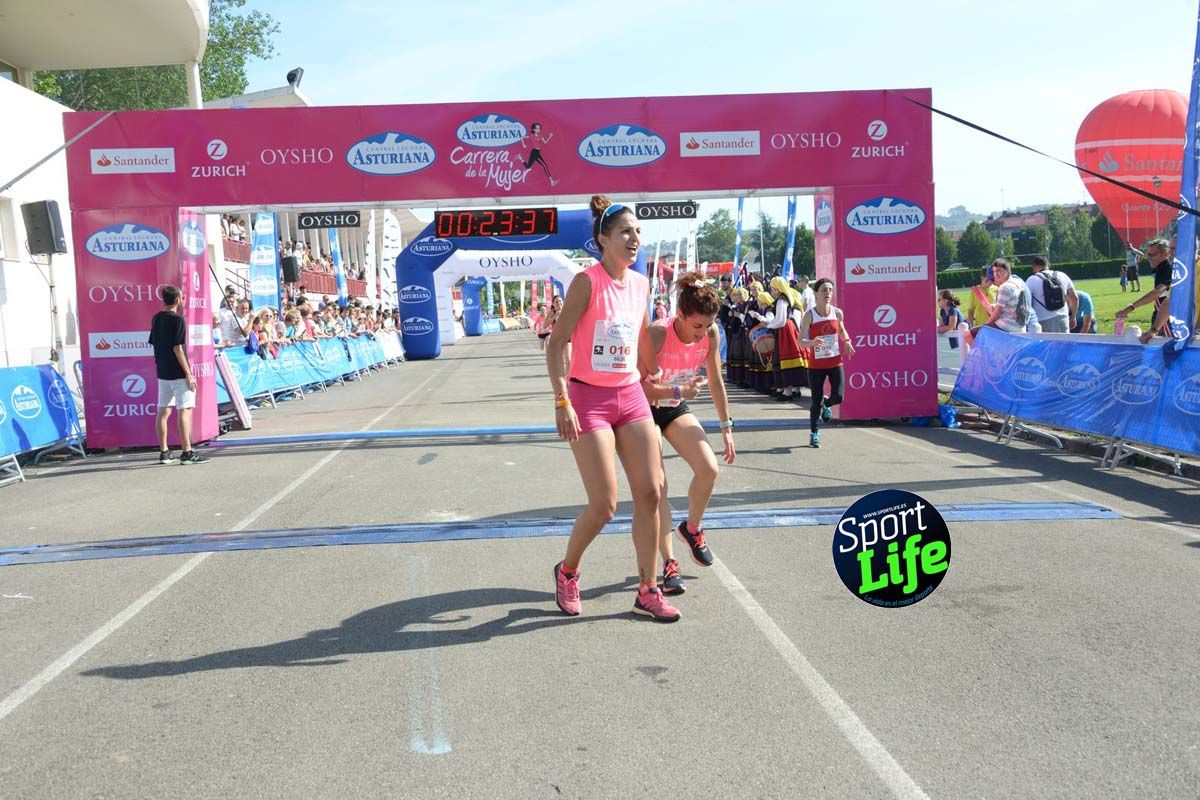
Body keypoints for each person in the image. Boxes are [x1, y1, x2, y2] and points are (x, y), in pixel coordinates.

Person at [546, 195, 675, 622]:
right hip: (588, 399)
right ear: (603, 239)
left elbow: (639, 344)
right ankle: (567, 571)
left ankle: (647, 589)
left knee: (652, 492)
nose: (635, 238)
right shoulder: (587, 282)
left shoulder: (640, 284)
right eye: (625, 232)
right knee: (604, 505)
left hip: (631, 395)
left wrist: (661, 377)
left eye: (638, 231)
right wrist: (562, 400)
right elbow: (556, 344)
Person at [640, 273, 736, 595]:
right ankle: (669, 563)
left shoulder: (710, 335)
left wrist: (726, 428)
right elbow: (637, 387)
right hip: (643, 410)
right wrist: (678, 388)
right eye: (696, 326)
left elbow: (715, 381)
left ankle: (692, 529)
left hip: (674, 407)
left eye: (708, 325)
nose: (701, 334)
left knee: (709, 469)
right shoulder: (656, 334)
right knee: (659, 487)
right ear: (679, 315)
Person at [148, 285, 207, 465]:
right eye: (181, 297)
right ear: (177, 300)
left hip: (162, 371)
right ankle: (187, 452)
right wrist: (188, 374)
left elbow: (154, 343)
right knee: (184, 410)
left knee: (163, 410)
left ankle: (164, 452)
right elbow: (177, 348)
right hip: (178, 372)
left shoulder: (156, 318)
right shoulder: (178, 319)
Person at [798, 278, 854, 448]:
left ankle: (827, 403)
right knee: (815, 403)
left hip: (835, 361)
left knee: (839, 396)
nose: (827, 293)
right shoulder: (809, 315)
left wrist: (848, 342)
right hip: (816, 366)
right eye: (823, 290)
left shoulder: (837, 313)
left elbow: (842, 330)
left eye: (830, 290)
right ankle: (814, 433)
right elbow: (800, 340)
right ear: (816, 293)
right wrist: (812, 343)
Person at [1116, 237, 1174, 344]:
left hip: (1167, 321)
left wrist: (1131, 307)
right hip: (1161, 319)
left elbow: (1157, 292)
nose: (1149, 258)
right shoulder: (1160, 268)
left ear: (1165, 253)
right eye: (1148, 254)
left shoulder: (1167, 269)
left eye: (1152, 255)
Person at [965, 259, 1029, 345]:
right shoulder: (1017, 282)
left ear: (1007, 270)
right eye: (994, 271)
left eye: (999, 270)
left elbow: (996, 315)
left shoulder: (1004, 287)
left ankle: (984, 358)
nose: (996, 274)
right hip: (1019, 325)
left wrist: (985, 325)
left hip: (1006, 326)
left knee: (968, 334)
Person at [763, 276, 807, 399]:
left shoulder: (782, 299)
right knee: (789, 358)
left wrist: (769, 325)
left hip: (785, 330)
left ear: (777, 288)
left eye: (772, 288)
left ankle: (787, 392)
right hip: (788, 329)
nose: (771, 290)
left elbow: (781, 320)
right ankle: (792, 389)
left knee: (784, 358)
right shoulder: (785, 298)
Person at [1025, 256, 1078, 333]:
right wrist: (1073, 317)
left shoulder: (1031, 280)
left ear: (1034, 267)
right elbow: (1075, 298)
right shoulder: (1063, 275)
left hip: (1042, 319)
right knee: (1063, 344)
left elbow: (1026, 302)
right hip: (1062, 318)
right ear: (1048, 265)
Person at [517, 122, 559, 187]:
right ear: (534, 129)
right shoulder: (531, 135)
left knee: (528, 166)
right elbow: (522, 137)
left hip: (537, 152)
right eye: (537, 128)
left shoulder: (540, 135)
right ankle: (552, 182)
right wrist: (523, 144)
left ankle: (520, 158)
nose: (539, 129)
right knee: (545, 166)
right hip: (534, 152)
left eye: (539, 128)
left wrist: (550, 137)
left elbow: (545, 142)